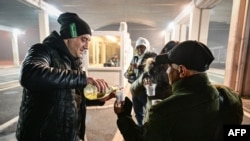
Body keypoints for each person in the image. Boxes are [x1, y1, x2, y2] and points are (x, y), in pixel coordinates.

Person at [16, 12, 115, 141]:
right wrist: (83, 79)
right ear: (69, 37)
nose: (87, 46)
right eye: (83, 39)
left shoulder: (74, 62)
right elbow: (29, 74)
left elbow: (71, 98)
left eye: (88, 41)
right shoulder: (42, 50)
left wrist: (98, 99)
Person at [114, 40, 221, 141]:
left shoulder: (164, 110)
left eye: (170, 66)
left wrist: (124, 116)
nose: (168, 71)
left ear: (182, 71)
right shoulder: (217, 94)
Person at [124, 37, 157, 126]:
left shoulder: (152, 56)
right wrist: (127, 74)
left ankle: (148, 131)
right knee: (138, 113)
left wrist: (139, 67)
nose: (140, 49)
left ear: (147, 47)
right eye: (138, 47)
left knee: (149, 112)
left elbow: (152, 69)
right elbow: (128, 71)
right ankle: (141, 130)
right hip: (135, 90)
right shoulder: (135, 58)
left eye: (142, 47)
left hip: (145, 91)